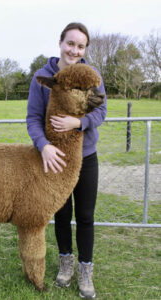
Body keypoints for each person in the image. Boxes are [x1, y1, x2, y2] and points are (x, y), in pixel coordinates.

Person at [26, 22, 107, 299]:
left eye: (80, 46)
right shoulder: (43, 76)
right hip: (54, 156)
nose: (74, 50)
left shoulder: (90, 74)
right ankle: (65, 263)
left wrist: (79, 121)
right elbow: (33, 118)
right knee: (61, 214)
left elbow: (101, 111)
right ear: (61, 43)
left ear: (85, 49)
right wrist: (44, 145)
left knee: (85, 216)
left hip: (85, 156)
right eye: (70, 43)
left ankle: (85, 270)